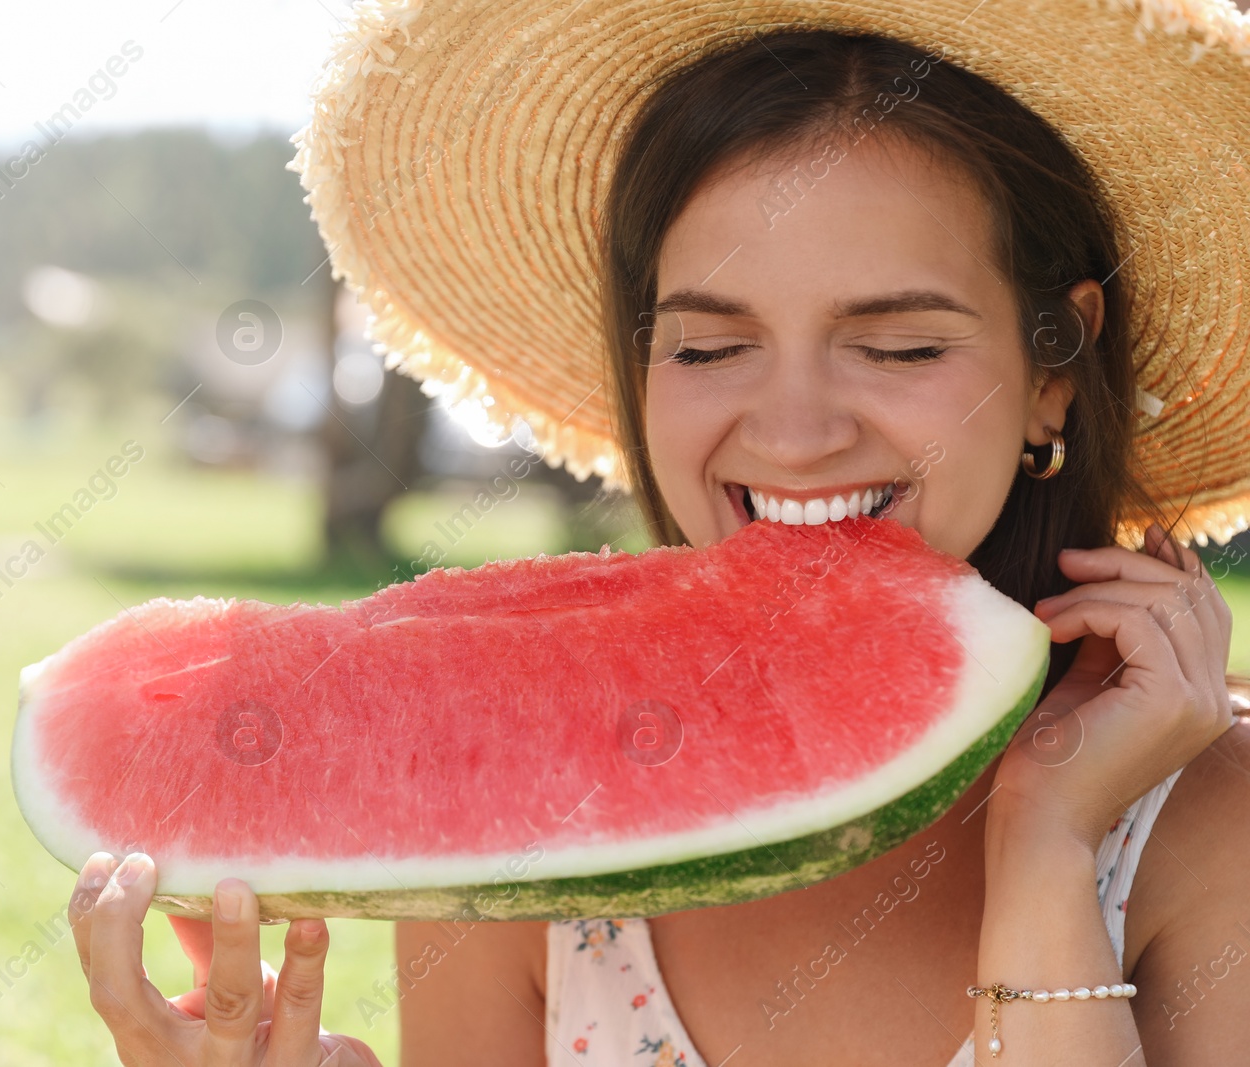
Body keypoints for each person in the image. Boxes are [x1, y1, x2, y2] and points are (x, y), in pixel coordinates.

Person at [66, 1, 1250, 1063]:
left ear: (1055, 363)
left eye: (898, 346)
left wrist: (1047, 852)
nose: (791, 435)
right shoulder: (508, 792)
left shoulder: (1207, 821)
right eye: (708, 346)